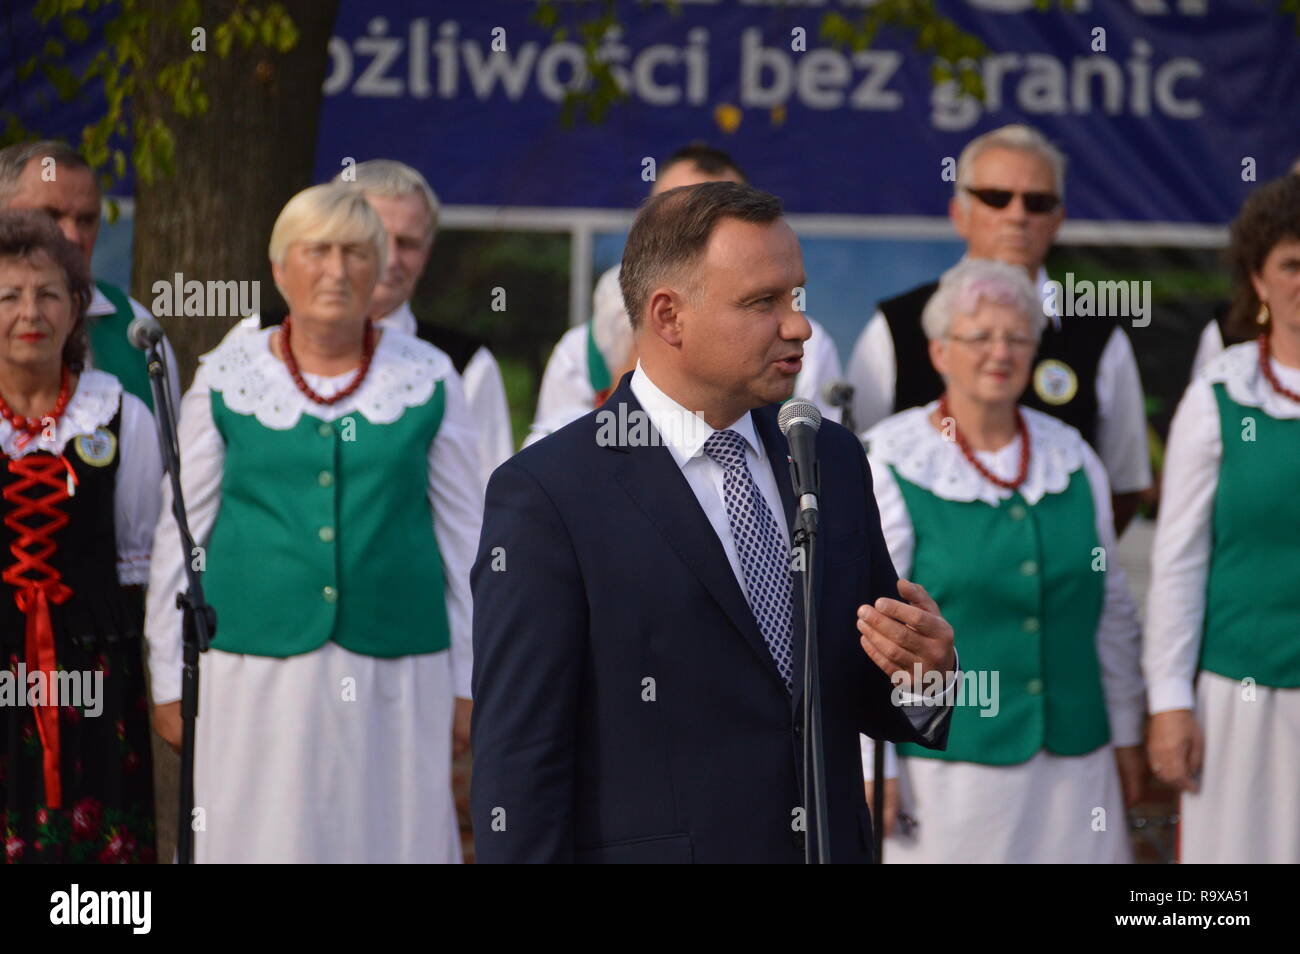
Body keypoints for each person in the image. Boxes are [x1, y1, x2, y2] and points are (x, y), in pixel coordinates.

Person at [471, 182, 956, 864]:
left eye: (797, 296)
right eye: (764, 302)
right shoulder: (549, 495)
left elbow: (854, 688)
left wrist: (924, 674)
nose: (800, 326)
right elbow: (520, 761)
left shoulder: (830, 458)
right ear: (669, 316)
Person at [144, 183, 482, 862]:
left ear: (380, 265)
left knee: (387, 837)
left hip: (399, 666)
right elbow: (179, 537)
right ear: (279, 269)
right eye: (317, 251)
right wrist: (167, 675)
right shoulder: (227, 377)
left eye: (357, 252)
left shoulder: (431, 377)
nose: (337, 269)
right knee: (264, 836)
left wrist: (470, 681)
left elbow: (467, 541)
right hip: (254, 666)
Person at [859, 259, 1145, 863]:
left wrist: (1127, 732)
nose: (1001, 351)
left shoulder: (1072, 457)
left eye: (1017, 336)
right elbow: (870, 629)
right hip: (951, 774)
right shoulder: (892, 460)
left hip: (1077, 765)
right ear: (939, 351)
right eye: (979, 336)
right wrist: (870, 762)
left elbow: (1111, 608)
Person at [845, 124, 1150, 536]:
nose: (1017, 215)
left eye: (1037, 202)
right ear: (959, 214)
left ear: (1059, 219)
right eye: (996, 197)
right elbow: (854, 466)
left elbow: (1123, 486)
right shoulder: (896, 326)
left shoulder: (1100, 336)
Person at [1144, 175, 1300, 864]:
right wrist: (1170, 700)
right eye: (1293, 264)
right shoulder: (1221, 396)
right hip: (1243, 700)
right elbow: (1178, 561)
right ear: (1258, 280)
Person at [0, 210, 162, 863]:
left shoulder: (122, 413)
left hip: (93, 675)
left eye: (48, 294)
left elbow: (143, 562)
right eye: (8, 295)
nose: (29, 311)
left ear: (76, 311)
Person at [526, 144, 843, 445]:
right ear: (667, 315)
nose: (799, 328)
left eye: (725, 208)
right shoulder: (580, 352)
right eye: (679, 211)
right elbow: (568, 461)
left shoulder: (810, 351)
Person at [0, 141, 180, 414]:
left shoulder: (136, 328)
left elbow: (161, 451)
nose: (72, 236)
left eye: (86, 220)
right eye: (51, 215)